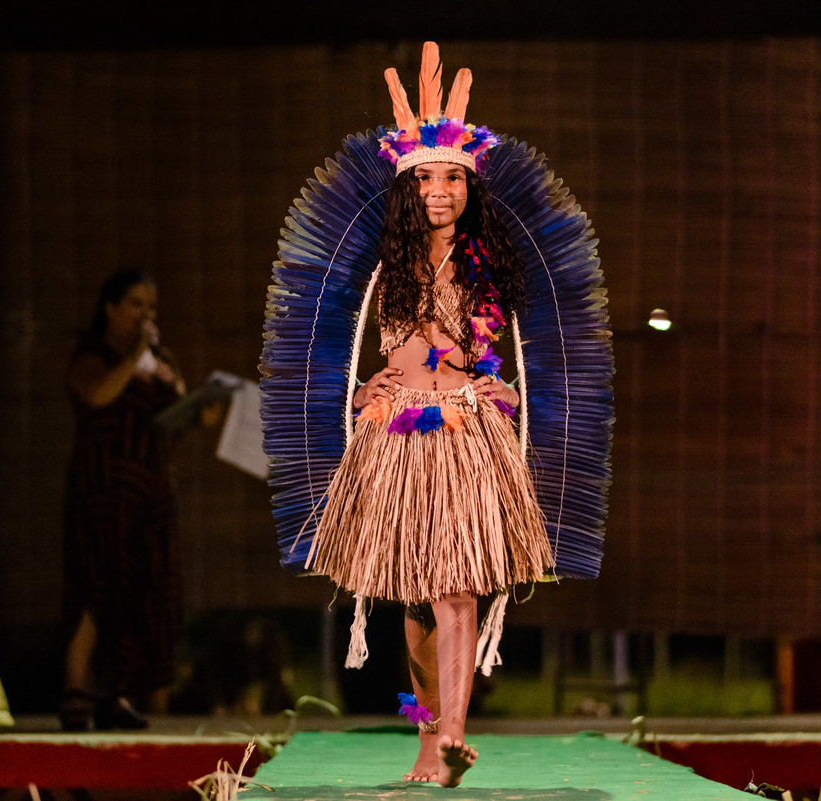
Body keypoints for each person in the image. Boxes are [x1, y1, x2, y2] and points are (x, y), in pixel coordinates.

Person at [305, 47, 555, 786]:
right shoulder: (384, 266)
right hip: (394, 438)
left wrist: (474, 374)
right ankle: (426, 730)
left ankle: (452, 733)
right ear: (405, 188)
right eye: (424, 177)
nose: (439, 190)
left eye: (452, 176)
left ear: (471, 185)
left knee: (455, 590)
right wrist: (367, 386)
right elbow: (348, 345)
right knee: (412, 601)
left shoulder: (484, 265)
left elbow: (481, 352)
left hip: (460, 432)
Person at [58, 268, 185, 731]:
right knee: (101, 581)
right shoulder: (95, 354)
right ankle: (77, 689)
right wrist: (135, 358)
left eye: (150, 308)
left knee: (142, 588)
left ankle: (115, 693)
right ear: (110, 307)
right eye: (135, 304)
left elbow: (181, 412)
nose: (145, 315)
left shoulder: (155, 357)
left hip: (149, 489)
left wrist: (181, 390)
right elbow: (96, 395)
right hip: (105, 487)